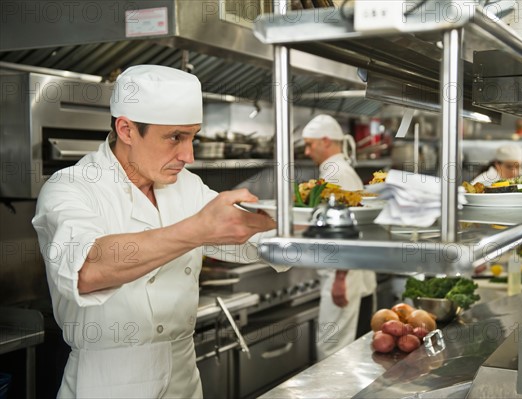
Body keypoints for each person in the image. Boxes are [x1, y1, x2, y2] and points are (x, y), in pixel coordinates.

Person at [32, 65, 276, 398]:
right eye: (176, 137)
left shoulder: (186, 187)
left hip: (184, 379)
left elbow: (250, 237)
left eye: (193, 137)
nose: (188, 155)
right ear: (127, 129)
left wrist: (314, 222)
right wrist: (197, 229)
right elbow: (88, 268)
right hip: (108, 383)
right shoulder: (71, 187)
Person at [302, 114, 377, 360]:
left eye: (309, 144)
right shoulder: (339, 170)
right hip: (348, 274)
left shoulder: (336, 174)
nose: (306, 151)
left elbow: (348, 231)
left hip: (344, 277)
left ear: (326, 141)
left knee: (334, 353)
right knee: (346, 351)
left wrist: (340, 277)